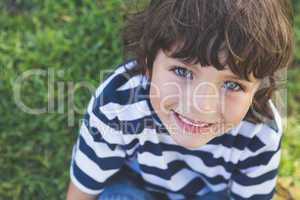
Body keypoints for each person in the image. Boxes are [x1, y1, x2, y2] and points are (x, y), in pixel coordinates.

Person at [66, 0, 294, 199]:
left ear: (259, 87)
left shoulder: (259, 132)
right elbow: (86, 180)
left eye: (232, 85)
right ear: (148, 62)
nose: (201, 105)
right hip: (134, 185)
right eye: (183, 72)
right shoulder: (118, 103)